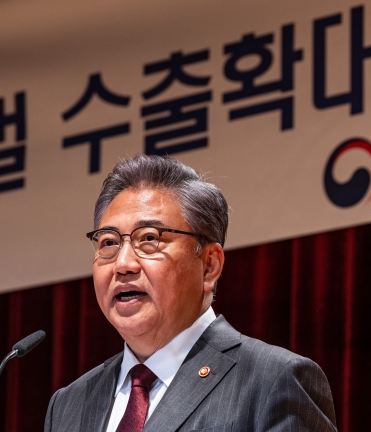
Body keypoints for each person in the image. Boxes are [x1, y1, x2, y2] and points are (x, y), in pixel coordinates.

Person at [44, 154, 337, 432]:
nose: (123, 264)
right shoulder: (69, 404)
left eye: (149, 239)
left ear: (209, 266)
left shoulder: (272, 380)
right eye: (108, 242)